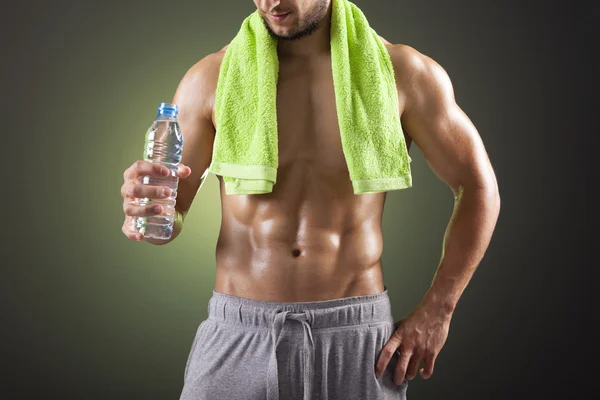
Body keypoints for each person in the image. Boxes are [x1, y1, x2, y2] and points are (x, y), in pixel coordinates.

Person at [120, 0, 500, 399]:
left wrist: (439, 311)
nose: (271, 3)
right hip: (239, 334)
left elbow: (477, 185)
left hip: (356, 340)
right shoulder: (211, 78)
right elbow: (169, 212)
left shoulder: (402, 73)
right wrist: (145, 212)